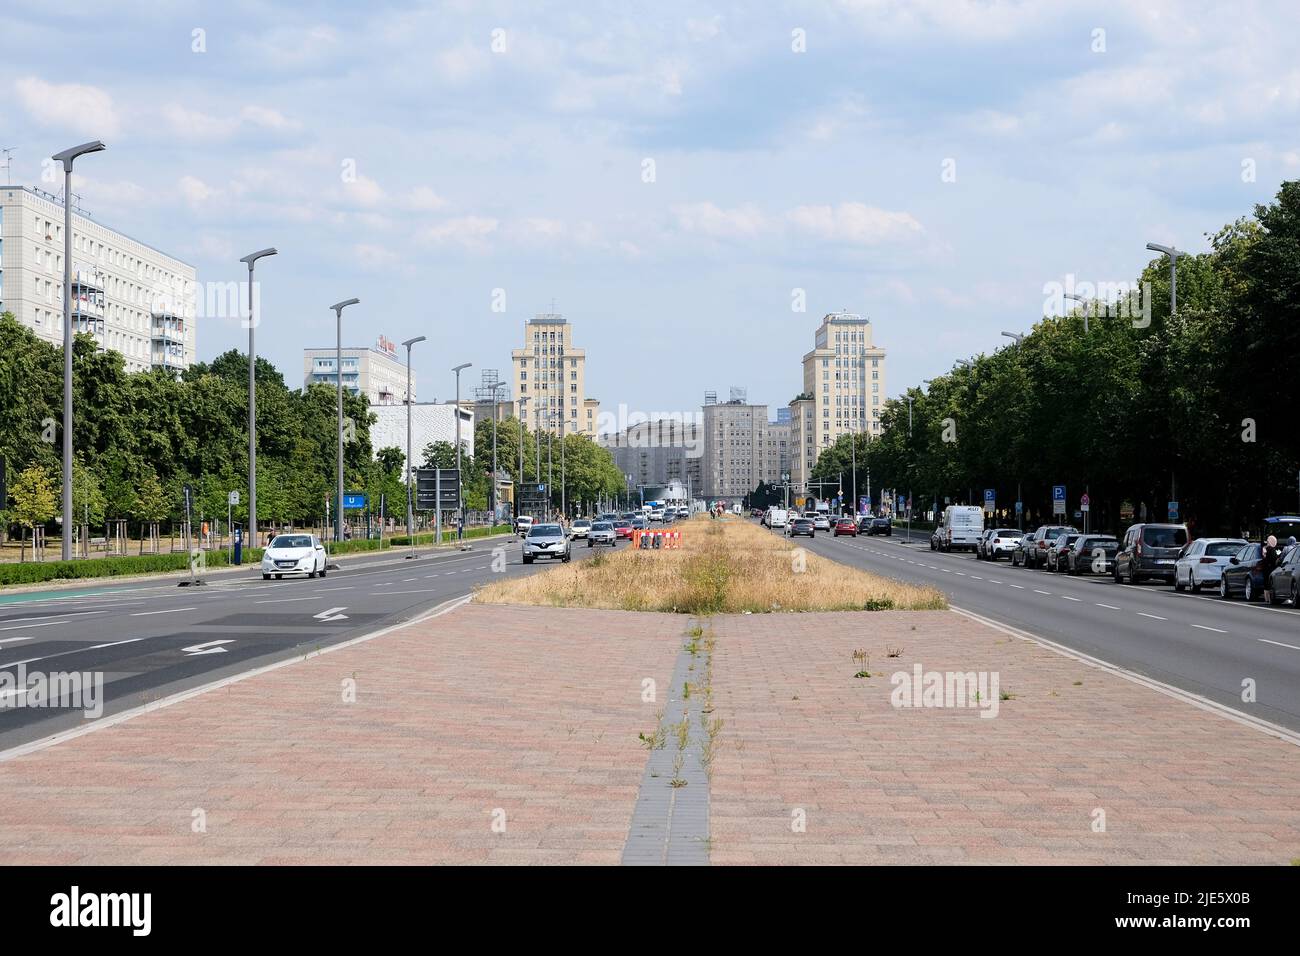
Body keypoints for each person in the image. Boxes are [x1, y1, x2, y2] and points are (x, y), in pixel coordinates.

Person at [1261, 534, 1281, 603]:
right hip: (1271, 569)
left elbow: (1264, 558)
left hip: (1265, 568)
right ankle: (1269, 599)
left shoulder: (1264, 548)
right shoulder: (1272, 550)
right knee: (1270, 583)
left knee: (1266, 583)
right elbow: (1274, 559)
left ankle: (1266, 598)